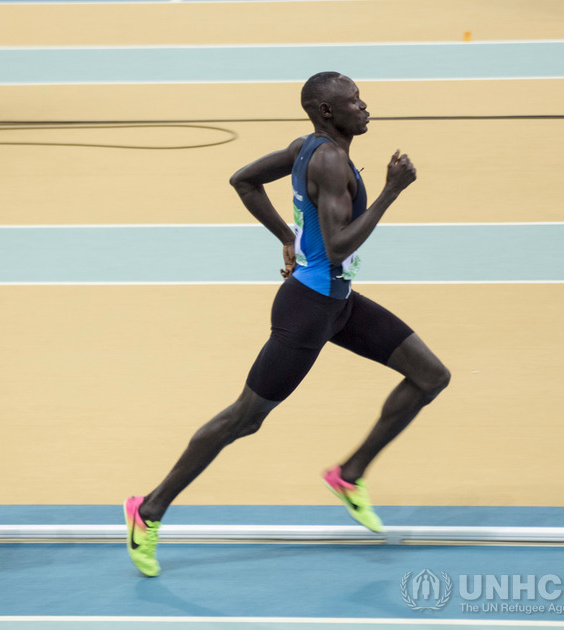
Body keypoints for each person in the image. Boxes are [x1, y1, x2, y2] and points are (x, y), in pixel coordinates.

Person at [124, 72, 451, 577]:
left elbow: (244, 181)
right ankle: (148, 511)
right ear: (326, 111)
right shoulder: (329, 159)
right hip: (307, 312)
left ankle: (350, 473)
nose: (365, 108)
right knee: (244, 418)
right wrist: (391, 191)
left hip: (335, 302)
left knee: (431, 375)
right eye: (354, 102)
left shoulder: (306, 147)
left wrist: (288, 239)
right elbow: (340, 245)